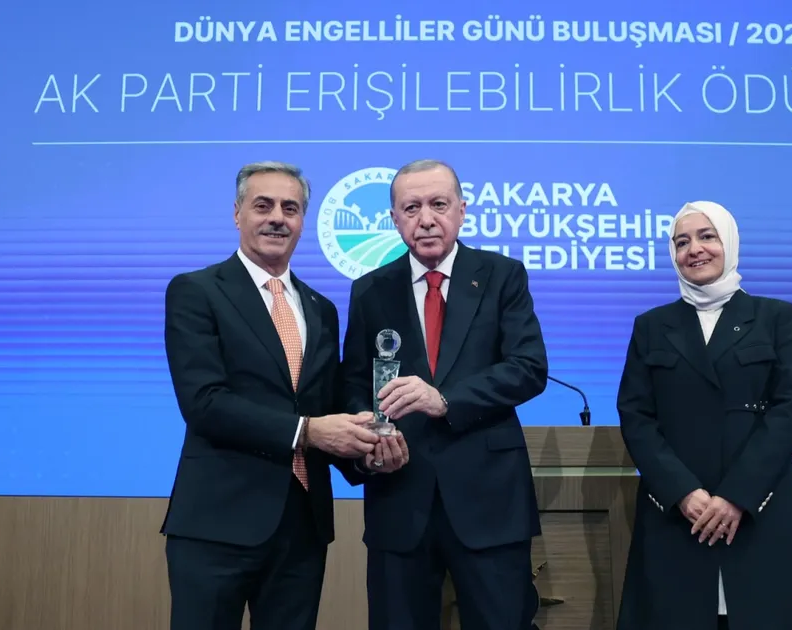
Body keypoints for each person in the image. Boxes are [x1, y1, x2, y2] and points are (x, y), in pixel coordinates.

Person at [160, 161, 393, 630]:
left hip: (301, 529)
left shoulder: (321, 309)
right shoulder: (196, 291)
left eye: (290, 208)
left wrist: (367, 450)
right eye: (263, 205)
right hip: (217, 523)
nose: (277, 218)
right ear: (237, 213)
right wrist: (307, 431)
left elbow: (325, 411)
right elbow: (204, 403)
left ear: (303, 220)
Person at [337, 159, 549, 630]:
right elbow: (353, 384)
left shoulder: (501, 275)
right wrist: (368, 439)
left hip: (489, 500)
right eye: (411, 208)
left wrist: (445, 400)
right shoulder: (370, 290)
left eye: (438, 204)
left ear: (462, 210)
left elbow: (528, 368)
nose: (426, 219)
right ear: (394, 218)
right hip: (399, 497)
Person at [615, 201, 792, 630]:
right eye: (681, 242)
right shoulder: (651, 326)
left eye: (706, 236)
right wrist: (682, 492)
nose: (694, 249)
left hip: (759, 509)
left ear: (729, 242)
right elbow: (635, 415)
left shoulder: (775, 317)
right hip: (679, 515)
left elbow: (789, 409)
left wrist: (736, 496)